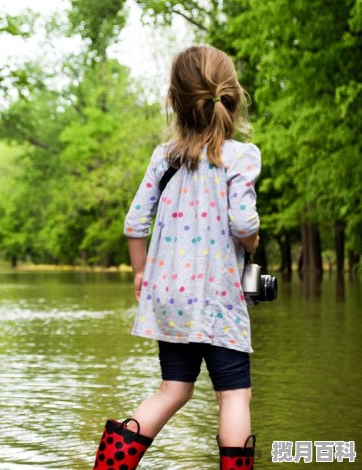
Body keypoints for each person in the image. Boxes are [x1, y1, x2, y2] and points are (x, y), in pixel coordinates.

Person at [91, 45, 261, 470]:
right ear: (231, 95)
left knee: (173, 389)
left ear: (175, 102)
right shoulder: (241, 156)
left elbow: (134, 223)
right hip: (218, 301)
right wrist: (253, 244)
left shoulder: (163, 158)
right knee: (234, 395)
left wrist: (141, 272)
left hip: (169, 297)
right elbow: (244, 225)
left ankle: (110, 467)